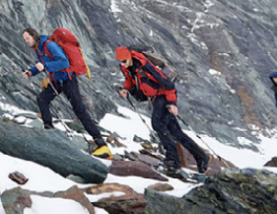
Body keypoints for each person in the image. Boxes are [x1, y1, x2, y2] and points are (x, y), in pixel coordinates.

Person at [22, 28, 111, 158]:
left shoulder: (49, 45)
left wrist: (46, 67)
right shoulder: (38, 49)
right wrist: (31, 72)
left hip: (68, 79)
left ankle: (101, 144)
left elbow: (64, 62)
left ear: (34, 36)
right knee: (42, 99)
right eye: (25, 39)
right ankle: (49, 130)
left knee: (79, 110)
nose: (26, 41)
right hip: (56, 80)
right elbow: (42, 65)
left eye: (27, 38)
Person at [117, 46, 208, 172]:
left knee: (158, 124)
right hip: (155, 97)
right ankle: (201, 157)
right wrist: (126, 89)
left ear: (129, 58)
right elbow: (129, 79)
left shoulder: (145, 65)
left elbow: (168, 84)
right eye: (120, 62)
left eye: (124, 61)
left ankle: (173, 159)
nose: (123, 64)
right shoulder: (125, 67)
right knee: (176, 132)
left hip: (163, 94)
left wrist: (172, 103)